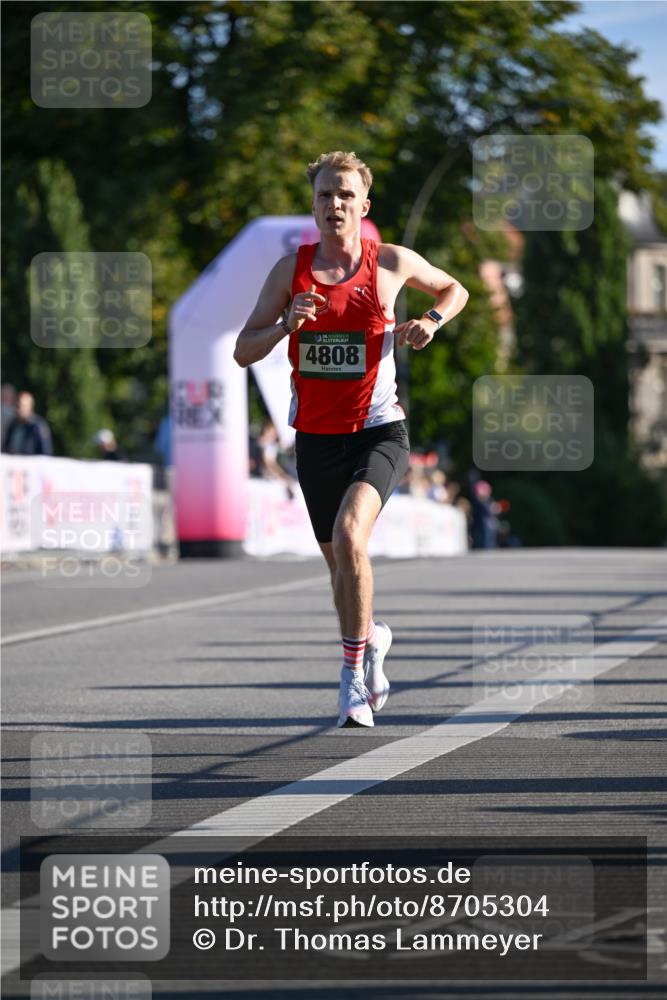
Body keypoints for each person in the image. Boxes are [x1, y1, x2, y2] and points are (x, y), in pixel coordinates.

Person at [234, 150, 469, 727]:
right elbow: (243, 350)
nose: (334, 204)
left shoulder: (389, 261)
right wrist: (286, 324)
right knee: (340, 566)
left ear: (364, 206)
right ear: (313, 206)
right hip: (314, 438)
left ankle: (351, 678)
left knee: (349, 536)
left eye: (345, 196)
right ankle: (372, 638)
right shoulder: (289, 272)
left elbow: (454, 289)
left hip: (378, 431)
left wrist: (430, 323)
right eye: (324, 196)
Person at [2, 391, 53, 455]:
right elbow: (5, 447)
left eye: (22, 406)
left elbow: (46, 452)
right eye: (17, 405)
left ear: (30, 407)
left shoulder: (38, 426)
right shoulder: (12, 425)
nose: (19, 409)